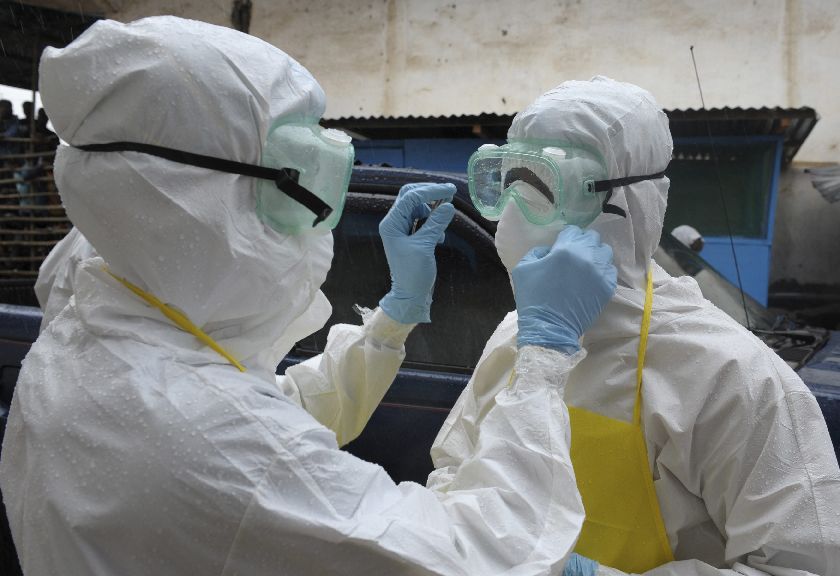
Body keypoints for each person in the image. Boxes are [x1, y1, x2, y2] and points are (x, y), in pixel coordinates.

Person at [0, 17, 616, 575]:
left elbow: (274, 410)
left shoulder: (97, 305)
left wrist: (393, 319)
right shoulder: (206, 438)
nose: (324, 212)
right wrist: (542, 356)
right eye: (303, 176)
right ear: (189, 199)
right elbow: (478, 557)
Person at [432, 77, 840, 576]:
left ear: (630, 206)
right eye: (510, 181)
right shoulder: (519, 337)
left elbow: (805, 566)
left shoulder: (731, 377)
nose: (515, 214)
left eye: (545, 185)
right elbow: (454, 470)